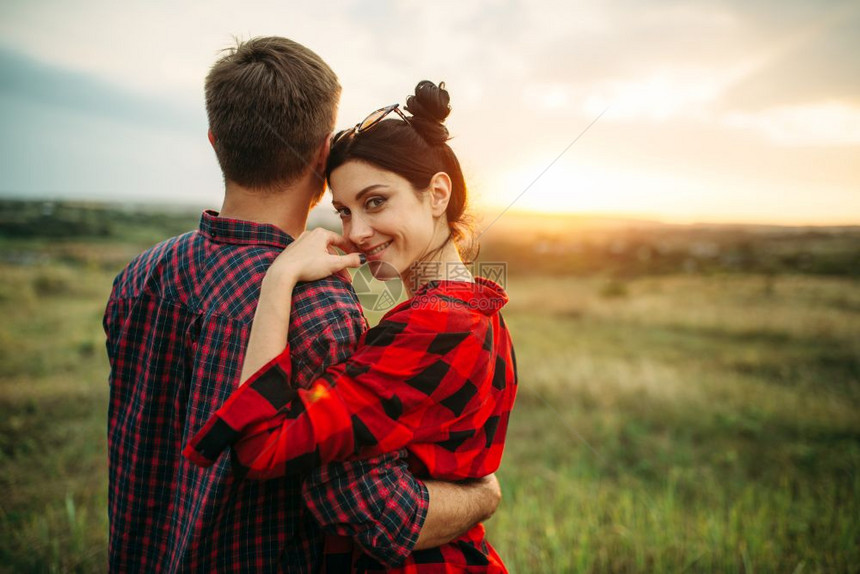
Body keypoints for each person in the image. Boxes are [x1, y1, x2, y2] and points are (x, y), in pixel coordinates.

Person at [103, 39, 501, 573]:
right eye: (346, 210)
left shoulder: (141, 276)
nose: (356, 231)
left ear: (215, 141)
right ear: (322, 157)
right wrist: (482, 496)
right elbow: (367, 505)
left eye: (373, 203)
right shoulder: (319, 308)